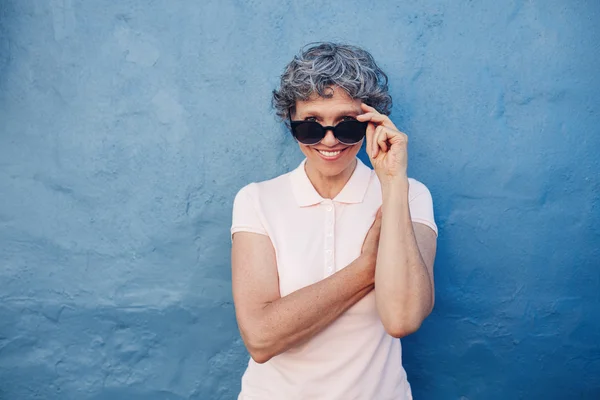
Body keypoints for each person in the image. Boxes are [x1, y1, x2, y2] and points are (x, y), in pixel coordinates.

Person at [230, 42, 438, 400]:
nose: (329, 141)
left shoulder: (410, 194)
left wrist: (392, 182)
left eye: (347, 126)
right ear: (290, 122)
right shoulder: (257, 200)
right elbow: (261, 338)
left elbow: (402, 318)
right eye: (311, 127)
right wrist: (367, 267)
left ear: (371, 122)